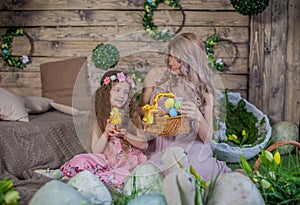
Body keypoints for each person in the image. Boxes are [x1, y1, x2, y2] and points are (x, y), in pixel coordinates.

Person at [139, 33, 231, 181]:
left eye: (178, 59)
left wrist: (197, 116)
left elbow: (207, 138)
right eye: (170, 56)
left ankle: (222, 171)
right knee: (158, 171)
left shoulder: (204, 90)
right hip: (162, 141)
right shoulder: (155, 75)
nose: (171, 62)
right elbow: (141, 108)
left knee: (194, 169)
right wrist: (151, 118)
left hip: (191, 142)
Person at [60, 70, 148, 189]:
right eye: (117, 90)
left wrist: (125, 135)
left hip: (126, 162)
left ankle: (95, 180)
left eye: (126, 92)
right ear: (107, 93)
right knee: (80, 159)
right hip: (106, 160)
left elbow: (144, 144)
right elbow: (96, 150)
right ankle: (80, 176)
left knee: (124, 175)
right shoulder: (100, 116)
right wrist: (106, 133)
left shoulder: (133, 115)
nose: (122, 96)